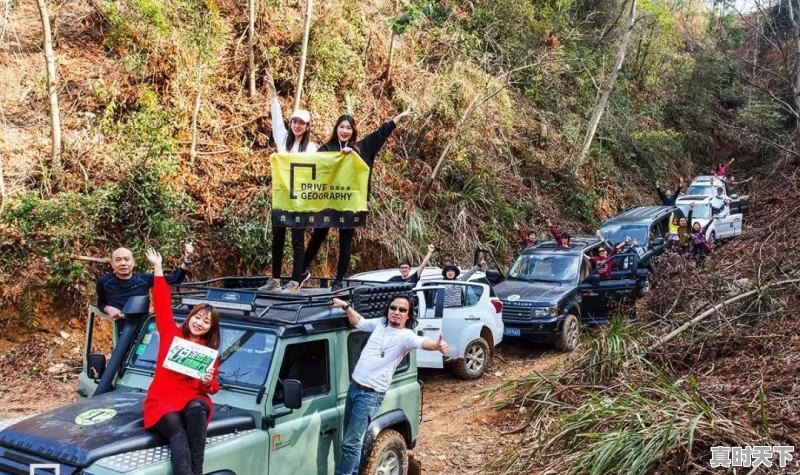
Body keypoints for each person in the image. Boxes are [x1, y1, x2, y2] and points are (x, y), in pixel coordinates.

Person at [330, 295, 447, 475]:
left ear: (408, 315)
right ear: (388, 309)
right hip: (354, 388)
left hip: (369, 395)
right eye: (393, 308)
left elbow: (423, 343)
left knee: (350, 443)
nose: (396, 312)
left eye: (402, 310)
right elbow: (359, 322)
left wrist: (437, 345)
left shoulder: (406, 336)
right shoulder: (381, 324)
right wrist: (345, 306)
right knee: (353, 441)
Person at [302, 110, 413, 290]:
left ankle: (338, 281)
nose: (345, 130)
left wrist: (398, 118)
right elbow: (312, 170)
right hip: (329, 200)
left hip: (351, 202)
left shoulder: (362, 148)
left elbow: (381, 133)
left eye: (348, 128)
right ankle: (301, 271)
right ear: (336, 128)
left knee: (346, 241)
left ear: (353, 130)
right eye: (342, 127)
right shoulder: (326, 149)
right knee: (318, 236)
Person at [142, 248, 221, 475]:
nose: (199, 323)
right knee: (178, 434)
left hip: (192, 398)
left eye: (206, 322)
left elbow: (213, 387)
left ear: (210, 328)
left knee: (197, 408)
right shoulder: (171, 334)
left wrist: (207, 381)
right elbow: (162, 305)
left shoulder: (208, 352)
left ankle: (197, 471)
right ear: (190, 318)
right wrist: (158, 269)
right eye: (197, 317)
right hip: (163, 399)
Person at [260, 71, 318, 294]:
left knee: (296, 241)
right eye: (294, 121)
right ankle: (275, 279)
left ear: (307, 126)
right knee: (278, 239)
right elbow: (275, 119)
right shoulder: (283, 141)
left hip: (300, 201)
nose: (296, 125)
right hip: (281, 196)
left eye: (301, 123)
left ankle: (295, 280)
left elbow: (323, 167)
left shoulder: (311, 149)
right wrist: (273, 93)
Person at [96, 243, 194, 320]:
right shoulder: (104, 282)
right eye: (118, 260)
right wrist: (108, 309)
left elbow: (175, 279)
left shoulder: (143, 279)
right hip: (117, 324)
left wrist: (186, 260)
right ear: (112, 264)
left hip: (142, 324)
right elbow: (101, 304)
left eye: (126, 259)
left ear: (133, 262)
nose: (123, 263)